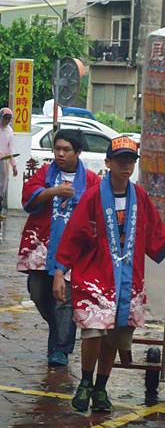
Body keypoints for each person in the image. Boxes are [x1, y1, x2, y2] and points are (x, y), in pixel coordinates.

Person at [53, 136, 165, 413]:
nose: (126, 165)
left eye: (131, 160)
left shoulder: (141, 197)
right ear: (109, 163)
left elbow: (155, 230)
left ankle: (101, 387)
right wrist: (59, 270)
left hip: (127, 278)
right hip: (95, 275)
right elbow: (74, 235)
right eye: (121, 160)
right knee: (93, 330)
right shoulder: (92, 196)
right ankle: (85, 382)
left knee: (114, 336)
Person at [17, 129, 100, 366]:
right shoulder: (45, 173)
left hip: (74, 252)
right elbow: (28, 195)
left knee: (64, 300)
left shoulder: (92, 180)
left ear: (78, 152)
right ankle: (60, 330)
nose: (60, 154)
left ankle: (60, 349)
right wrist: (52, 192)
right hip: (43, 247)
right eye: (57, 149)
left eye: (66, 150)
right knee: (37, 292)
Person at [0, 107, 18, 219]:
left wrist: (14, 165)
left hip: (3, 163)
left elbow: (11, 150)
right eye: (5, 118)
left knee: (1, 187)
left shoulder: (9, 132)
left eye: (8, 118)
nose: (6, 121)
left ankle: (0, 210)